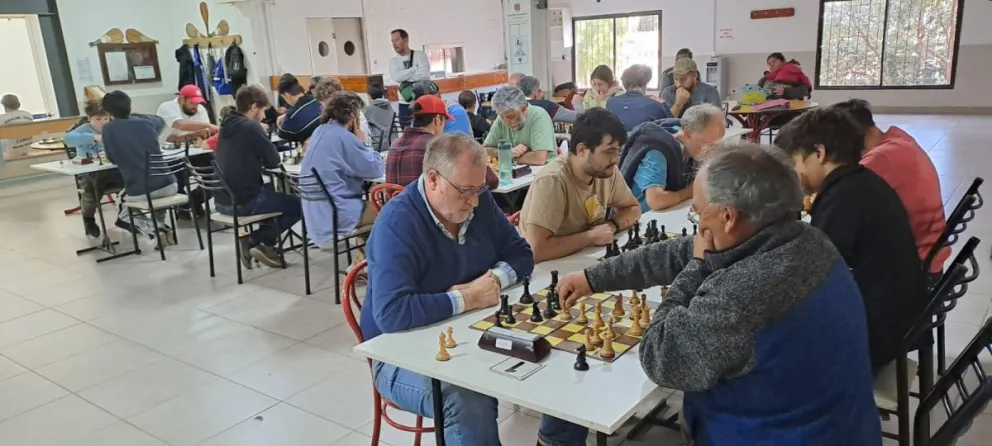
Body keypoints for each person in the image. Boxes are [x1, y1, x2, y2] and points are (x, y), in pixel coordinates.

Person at [555, 142, 883, 445]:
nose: (697, 224)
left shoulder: (738, 295)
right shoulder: (809, 240)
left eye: (698, 212)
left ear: (728, 216)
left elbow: (661, 357)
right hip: (847, 427)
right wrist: (592, 277)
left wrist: (697, 267)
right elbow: (686, 250)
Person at [364, 132, 584, 446]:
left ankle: (554, 441)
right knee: (467, 398)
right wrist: (465, 298)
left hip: (472, 329)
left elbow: (522, 255)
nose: (475, 201)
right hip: (398, 355)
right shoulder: (396, 224)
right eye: (466, 191)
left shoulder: (477, 205)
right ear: (434, 179)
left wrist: (492, 281)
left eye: (479, 189)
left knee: (563, 345)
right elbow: (390, 313)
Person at [775, 107, 927, 374]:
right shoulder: (861, 183)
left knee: (763, 341)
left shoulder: (844, 199)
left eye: (794, 163)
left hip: (873, 337)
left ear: (819, 153)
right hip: (894, 322)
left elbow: (809, 280)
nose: (792, 174)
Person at [832, 99, 948, 277]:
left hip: (914, 267)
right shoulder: (897, 138)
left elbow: (839, 199)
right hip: (928, 251)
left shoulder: (880, 158)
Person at [519, 108, 641, 262]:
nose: (615, 159)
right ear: (582, 150)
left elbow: (633, 208)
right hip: (547, 269)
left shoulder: (606, 169)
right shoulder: (553, 180)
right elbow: (536, 250)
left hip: (584, 258)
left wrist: (613, 225)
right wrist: (590, 237)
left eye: (618, 151)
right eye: (609, 151)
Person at [214, 85, 301, 268]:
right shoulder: (251, 127)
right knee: (298, 204)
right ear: (254, 107)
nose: (263, 116)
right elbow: (273, 161)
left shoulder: (226, 126)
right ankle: (259, 240)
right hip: (244, 202)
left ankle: (265, 243)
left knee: (273, 195)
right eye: (262, 111)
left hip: (222, 200)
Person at [301, 91, 385, 266]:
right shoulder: (342, 137)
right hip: (339, 214)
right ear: (353, 117)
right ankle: (366, 265)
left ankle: (362, 261)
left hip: (317, 216)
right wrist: (363, 142)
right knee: (388, 210)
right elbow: (375, 169)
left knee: (372, 210)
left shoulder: (319, 131)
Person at [101, 91, 179, 244]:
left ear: (108, 111)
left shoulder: (109, 129)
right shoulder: (146, 123)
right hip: (170, 183)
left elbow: (112, 159)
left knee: (123, 208)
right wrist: (131, 114)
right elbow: (159, 120)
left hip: (142, 188)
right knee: (157, 202)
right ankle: (160, 231)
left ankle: (156, 230)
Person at [619, 104, 725, 212]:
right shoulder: (658, 150)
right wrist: (689, 191)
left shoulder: (680, 135)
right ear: (688, 133)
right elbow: (656, 200)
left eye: (715, 145)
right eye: (708, 143)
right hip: (641, 217)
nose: (711, 150)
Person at [388, 95, 498, 189]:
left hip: (398, 210)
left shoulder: (394, 145)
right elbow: (491, 180)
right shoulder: (437, 146)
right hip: (426, 212)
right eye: (445, 121)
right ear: (437, 119)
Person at [62, 101, 126, 238]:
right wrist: (92, 137)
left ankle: (125, 217)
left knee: (130, 185)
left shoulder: (113, 128)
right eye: (98, 119)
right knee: (91, 190)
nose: (103, 122)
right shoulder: (84, 129)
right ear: (89, 118)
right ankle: (89, 220)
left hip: (112, 170)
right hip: (89, 172)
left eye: (106, 119)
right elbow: (67, 138)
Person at [482, 87, 556, 166]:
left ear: (523, 109)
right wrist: (508, 152)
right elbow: (484, 151)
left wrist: (509, 158)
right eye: (501, 116)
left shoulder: (538, 116)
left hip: (544, 172)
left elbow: (539, 158)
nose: (505, 121)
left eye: (510, 117)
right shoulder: (502, 118)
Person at [605, 64, 674, 131]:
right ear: (645, 83)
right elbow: (674, 127)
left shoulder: (610, 103)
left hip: (618, 142)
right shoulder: (655, 105)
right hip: (645, 142)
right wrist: (664, 104)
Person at [389, 29, 431, 128]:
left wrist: (404, 77)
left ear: (406, 40)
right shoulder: (393, 61)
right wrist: (414, 69)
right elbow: (396, 77)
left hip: (423, 101)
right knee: (407, 135)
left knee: (426, 132)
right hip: (405, 103)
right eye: (392, 41)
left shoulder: (420, 55)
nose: (394, 44)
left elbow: (424, 74)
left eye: (397, 40)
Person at [312, 77, 371, 145]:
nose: (322, 108)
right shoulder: (337, 116)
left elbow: (360, 144)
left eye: (322, 104)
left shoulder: (352, 115)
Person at [276, 75, 321, 142]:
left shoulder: (292, 116)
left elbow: (282, 134)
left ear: (286, 95)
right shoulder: (317, 100)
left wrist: (281, 123)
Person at [0, 94, 35, 161]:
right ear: (18, 104)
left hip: (10, 151)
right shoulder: (28, 114)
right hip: (27, 147)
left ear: (4, 106)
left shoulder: (2, 118)